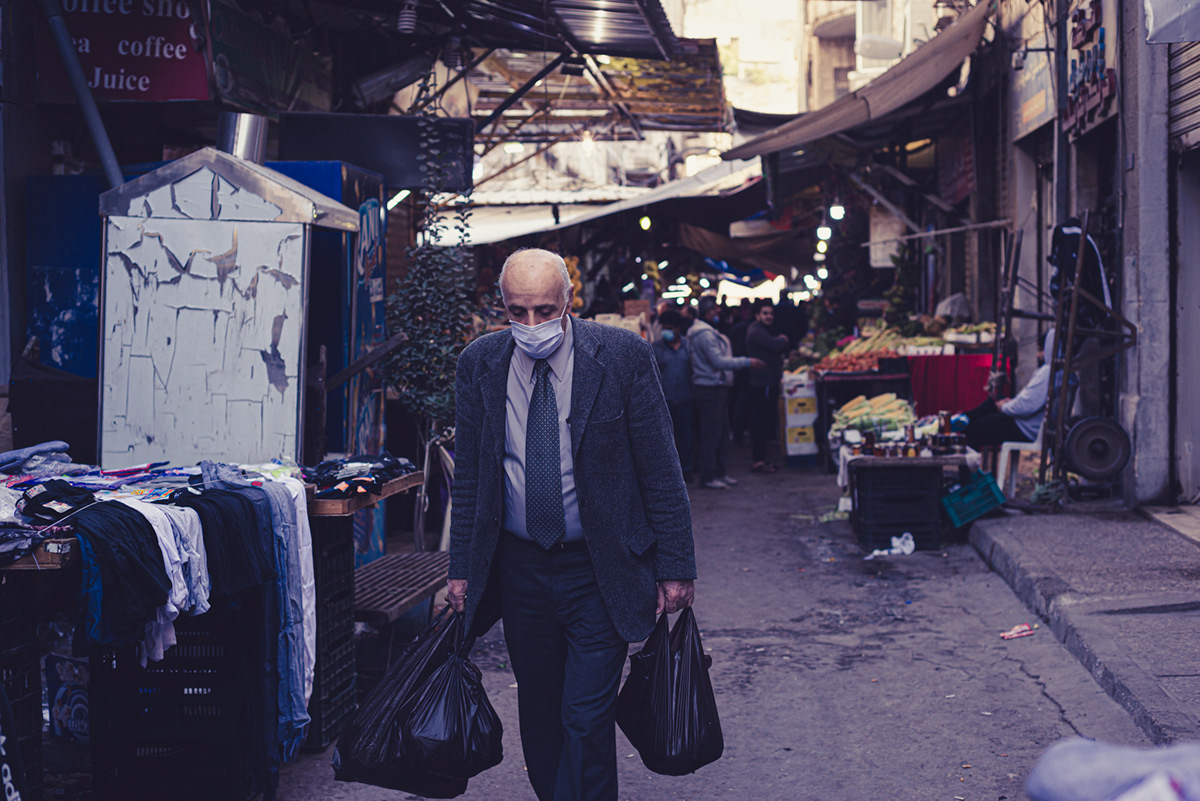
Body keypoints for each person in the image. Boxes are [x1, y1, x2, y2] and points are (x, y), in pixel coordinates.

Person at [446, 248, 697, 801]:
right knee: (540, 716)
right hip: (520, 570)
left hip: (600, 568)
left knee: (585, 717)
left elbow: (660, 465)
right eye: (517, 312)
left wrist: (676, 564)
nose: (531, 325)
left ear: (568, 302)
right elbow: (471, 478)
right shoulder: (480, 364)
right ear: (503, 307)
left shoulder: (621, 356)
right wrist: (461, 567)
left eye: (543, 310)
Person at [689, 295, 764, 490]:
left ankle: (719, 472)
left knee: (722, 432)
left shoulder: (707, 332)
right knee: (712, 434)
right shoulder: (704, 335)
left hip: (717, 387)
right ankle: (708, 476)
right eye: (715, 308)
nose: (719, 312)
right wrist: (747, 362)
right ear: (708, 311)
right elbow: (718, 361)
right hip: (709, 388)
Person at [962, 328, 1060, 450]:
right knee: (994, 400)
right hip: (1029, 424)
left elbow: (1025, 406)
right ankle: (964, 418)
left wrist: (1004, 407)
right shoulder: (1060, 372)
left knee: (975, 429)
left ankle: (961, 422)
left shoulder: (1047, 372)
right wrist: (1008, 404)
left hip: (1025, 428)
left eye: (1041, 350)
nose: (1038, 355)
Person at [745, 300, 791, 473]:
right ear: (757, 315)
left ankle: (762, 458)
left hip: (766, 381)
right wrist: (782, 339)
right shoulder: (756, 331)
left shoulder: (762, 329)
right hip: (761, 382)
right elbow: (776, 345)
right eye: (765, 313)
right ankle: (759, 460)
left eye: (771, 313)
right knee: (760, 421)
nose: (769, 316)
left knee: (764, 420)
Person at [652, 309, 694, 480]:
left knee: (686, 437)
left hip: (686, 399)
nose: (666, 331)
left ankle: (687, 469)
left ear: (678, 329)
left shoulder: (688, 346)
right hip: (665, 400)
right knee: (665, 440)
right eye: (664, 327)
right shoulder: (656, 348)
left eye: (670, 328)